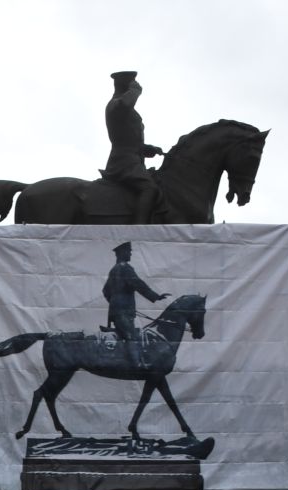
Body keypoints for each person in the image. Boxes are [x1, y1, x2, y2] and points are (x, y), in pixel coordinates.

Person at [101, 71, 162, 224]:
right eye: (132, 81)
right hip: (123, 162)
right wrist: (135, 91)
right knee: (150, 189)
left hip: (133, 160)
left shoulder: (126, 109)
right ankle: (138, 230)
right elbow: (125, 104)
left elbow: (128, 139)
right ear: (125, 84)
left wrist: (147, 148)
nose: (135, 83)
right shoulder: (115, 104)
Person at [103, 241, 166, 345]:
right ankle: (136, 362)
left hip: (117, 313)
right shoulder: (125, 268)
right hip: (124, 313)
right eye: (129, 251)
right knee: (132, 341)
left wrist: (115, 303)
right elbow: (138, 284)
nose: (130, 254)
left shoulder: (113, 270)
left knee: (126, 340)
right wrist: (156, 297)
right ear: (122, 252)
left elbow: (105, 291)